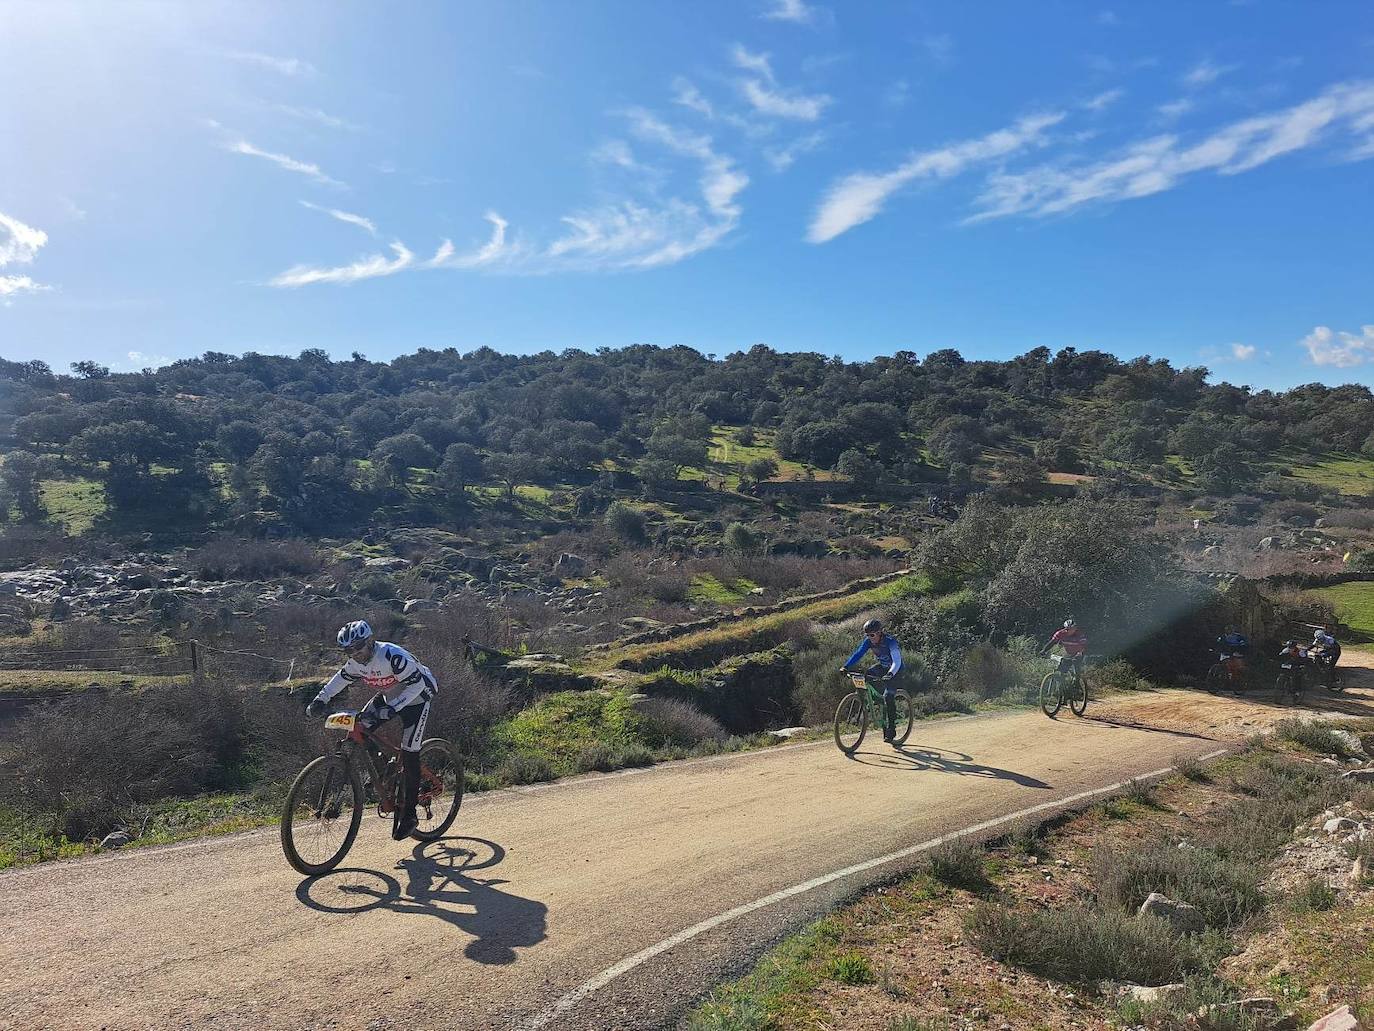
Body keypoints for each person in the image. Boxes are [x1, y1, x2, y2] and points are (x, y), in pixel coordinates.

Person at [307, 620, 439, 840]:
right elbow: (340, 679)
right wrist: (320, 700)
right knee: (361, 726)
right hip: (390, 695)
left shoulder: (392, 656)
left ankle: (409, 815)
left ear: (370, 641)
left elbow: (417, 685)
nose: (354, 653)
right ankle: (383, 771)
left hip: (418, 698)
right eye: (348, 650)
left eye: (358, 646)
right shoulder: (355, 663)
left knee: (410, 751)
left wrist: (394, 707)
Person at [842, 618, 904, 742]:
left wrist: (891, 673)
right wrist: (846, 666)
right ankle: (877, 701)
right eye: (867, 635)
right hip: (883, 667)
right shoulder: (869, 641)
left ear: (880, 632)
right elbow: (858, 654)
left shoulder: (890, 642)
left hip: (896, 670)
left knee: (888, 696)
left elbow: (897, 661)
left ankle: (891, 728)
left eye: (872, 635)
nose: (870, 638)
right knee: (867, 674)